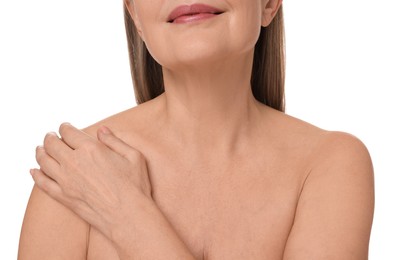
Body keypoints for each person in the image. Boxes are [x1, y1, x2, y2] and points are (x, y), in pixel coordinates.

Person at [18, 0, 375, 259]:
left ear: (269, 4)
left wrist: (128, 216)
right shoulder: (75, 170)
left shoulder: (330, 165)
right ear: (135, 15)